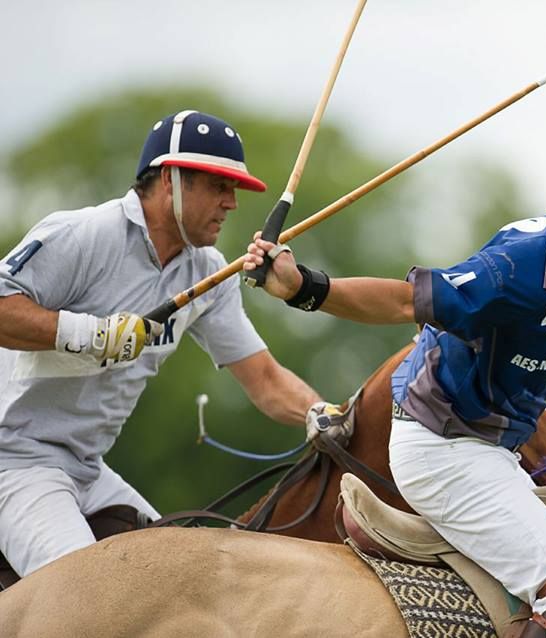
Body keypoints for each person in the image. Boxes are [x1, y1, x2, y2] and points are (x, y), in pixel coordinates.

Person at [244, 145, 546, 637]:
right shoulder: (512, 272)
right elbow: (407, 302)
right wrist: (303, 288)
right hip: (440, 447)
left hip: (492, 453)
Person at [0, 110, 344, 580]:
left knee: (181, 589)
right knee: (84, 597)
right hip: (14, 461)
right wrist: (90, 334)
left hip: (86, 470)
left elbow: (264, 380)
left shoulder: (209, 272)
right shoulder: (85, 235)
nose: (232, 204)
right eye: (218, 185)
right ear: (170, 180)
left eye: (235, 190)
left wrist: (323, 414)